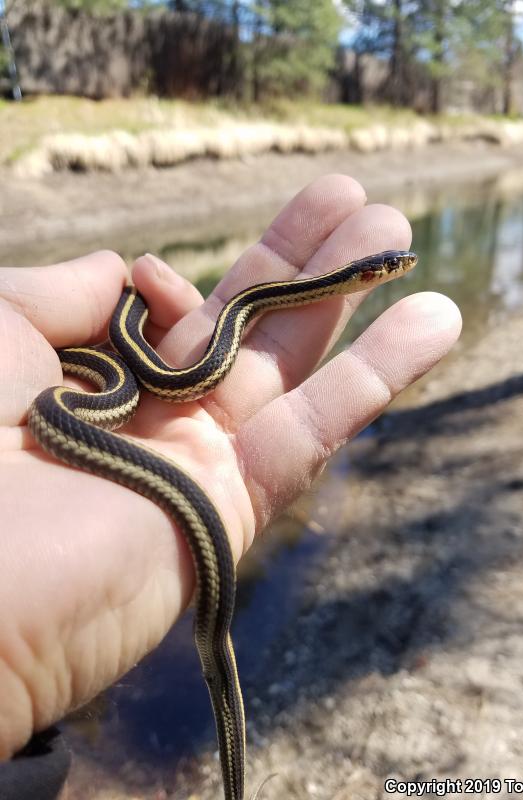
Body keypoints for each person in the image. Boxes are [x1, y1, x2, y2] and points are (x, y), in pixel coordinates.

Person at [0, 174, 461, 797]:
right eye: (387, 269)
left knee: (155, 373)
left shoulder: (263, 304)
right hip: (84, 399)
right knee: (144, 369)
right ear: (361, 278)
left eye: (393, 269)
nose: (396, 270)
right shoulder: (92, 389)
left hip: (129, 384)